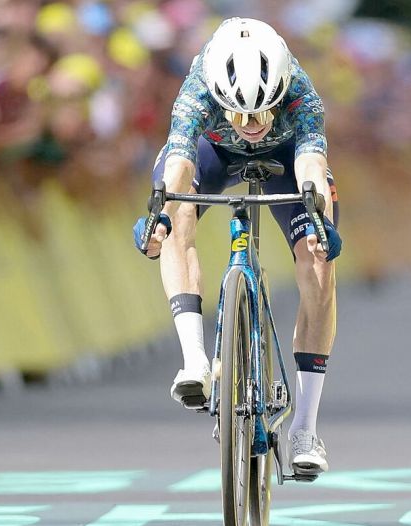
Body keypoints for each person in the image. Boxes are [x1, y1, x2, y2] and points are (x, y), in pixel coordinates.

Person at [132, 18, 341, 475]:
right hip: (213, 152)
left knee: (318, 262)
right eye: (240, 114)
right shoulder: (198, 89)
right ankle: (195, 362)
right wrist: (161, 214)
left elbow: (310, 162)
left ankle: (305, 428)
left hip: (287, 157)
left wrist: (318, 215)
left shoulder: (302, 95)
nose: (251, 125)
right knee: (175, 212)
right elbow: (181, 159)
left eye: (263, 112)